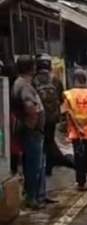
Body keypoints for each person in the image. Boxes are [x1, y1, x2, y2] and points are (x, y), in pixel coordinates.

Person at [12, 55, 52, 209]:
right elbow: (30, 107)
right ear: (32, 68)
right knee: (33, 165)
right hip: (32, 132)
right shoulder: (23, 86)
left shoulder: (23, 83)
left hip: (34, 132)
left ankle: (39, 195)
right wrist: (34, 126)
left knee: (38, 164)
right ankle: (32, 197)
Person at [33, 54, 74, 176]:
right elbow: (61, 99)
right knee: (50, 140)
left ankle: (43, 167)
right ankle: (49, 167)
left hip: (38, 117)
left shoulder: (34, 80)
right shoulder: (55, 79)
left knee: (41, 142)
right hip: (52, 117)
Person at [64, 69, 87, 191]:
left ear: (75, 80)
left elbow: (68, 112)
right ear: (85, 80)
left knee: (79, 157)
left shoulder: (69, 94)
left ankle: (81, 182)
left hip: (76, 131)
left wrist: (79, 126)